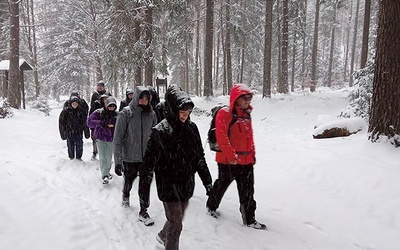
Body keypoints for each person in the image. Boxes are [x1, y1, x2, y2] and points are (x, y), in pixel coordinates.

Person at [141, 89, 213, 249]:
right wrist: (143, 196)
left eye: (188, 112)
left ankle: (162, 235)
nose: (185, 115)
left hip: (186, 184)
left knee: (176, 218)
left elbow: (199, 157)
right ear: (173, 110)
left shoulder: (192, 129)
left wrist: (208, 183)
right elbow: (147, 166)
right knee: (176, 224)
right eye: (182, 111)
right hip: (168, 186)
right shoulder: (159, 132)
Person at [206, 83, 266, 230]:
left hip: (246, 161)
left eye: (249, 98)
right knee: (222, 184)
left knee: (248, 191)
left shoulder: (246, 115)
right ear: (236, 98)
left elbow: (249, 138)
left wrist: (253, 155)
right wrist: (231, 155)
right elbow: (222, 136)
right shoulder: (225, 113)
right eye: (244, 98)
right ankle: (211, 206)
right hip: (228, 161)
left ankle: (249, 219)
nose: (247, 101)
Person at [113, 86, 157, 225]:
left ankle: (144, 210)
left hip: (147, 158)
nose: (144, 101)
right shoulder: (126, 113)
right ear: (136, 98)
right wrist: (118, 161)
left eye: (146, 99)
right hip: (130, 157)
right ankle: (125, 193)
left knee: (145, 184)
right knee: (129, 180)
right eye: (141, 98)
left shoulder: (151, 114)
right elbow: (118, 138)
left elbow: (156, 136)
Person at [87, 97, 118, 184]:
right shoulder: (99, 112)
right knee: (103, 157)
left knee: (108, 158)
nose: (111, 108)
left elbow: (122, 125)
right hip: (100, 138)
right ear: (106, 105)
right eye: (110, 106)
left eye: (113, 106)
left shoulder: (117, 115)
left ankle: (107, 171)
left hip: (111, 139)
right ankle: (105, 175)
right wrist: (100, 123)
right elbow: (89, 122)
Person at [59, 96, 90, 160]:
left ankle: (79, 158)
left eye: (76, 103)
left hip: (79, 131)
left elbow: (85, 122)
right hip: (69, 131)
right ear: (71, 103)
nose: (75, 105)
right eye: (73, 103)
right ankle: (71, 157)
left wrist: (86, 132)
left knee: (79, 145)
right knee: (70, 145)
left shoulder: (81, 111)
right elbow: (61, 123)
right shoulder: (66, 111)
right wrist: (63, 133)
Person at [89, 80, 109, 160]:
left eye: (101, 86)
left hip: (105, 119)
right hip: (96, 118)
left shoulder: (107, 94)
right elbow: (92, 107)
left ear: (104, 87)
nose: (100, 87)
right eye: (98, 86)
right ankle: (94, 152)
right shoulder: (94, 95)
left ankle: (105, 154)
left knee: (105, 137)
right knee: (94, 137)